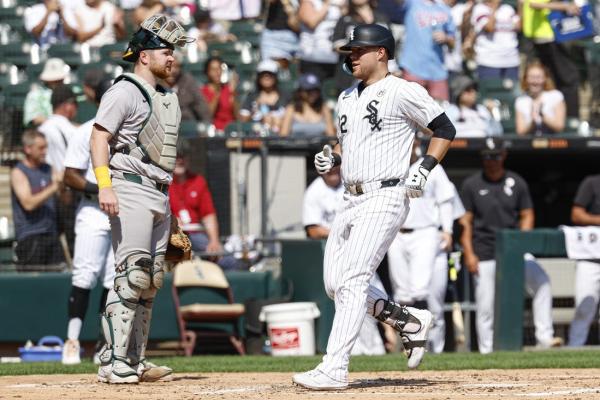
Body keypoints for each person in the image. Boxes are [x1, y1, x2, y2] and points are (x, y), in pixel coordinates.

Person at [292, 24, 456, 391]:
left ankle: (335, 366)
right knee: (335, 284)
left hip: (387, 194)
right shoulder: (347, 96)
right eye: (349, 50)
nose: (351, 55)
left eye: (358, 49)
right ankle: (407, 321)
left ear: (381, 52)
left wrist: (425, 168)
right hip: (349, 197)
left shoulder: (403, 91)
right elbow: (347, 144)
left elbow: (444, 128)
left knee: (352, 280)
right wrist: (330, 158)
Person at [90, 13, 193, 384]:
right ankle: (115, 363)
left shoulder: (168, 96)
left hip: (159, 193)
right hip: (129, 185)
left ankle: (133, 359)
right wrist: (105, 184)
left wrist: (171, 209)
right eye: (166, 51)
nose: (172, 57)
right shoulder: (124, 90)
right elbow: (99, 137)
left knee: (151, 280)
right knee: (131, 276)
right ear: (144, 55)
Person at [459, 137, 562, 354]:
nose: (491, 161)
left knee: (542, 281)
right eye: (486, 156)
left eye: (495, 156)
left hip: (514, 251)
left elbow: (527, 214)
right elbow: (465, 222)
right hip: (485, 251)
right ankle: (487, 351)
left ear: (503, 155)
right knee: (486, 305)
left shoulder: (516, 182)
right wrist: (469, 253)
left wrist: (521, 241)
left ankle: (545, 337)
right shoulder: (472, 184)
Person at [303, 167, 388, 356]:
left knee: (367, 293)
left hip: (361, 246)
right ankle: (358, 350)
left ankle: (378, 344)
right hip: (338, 250)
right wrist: (341, 229)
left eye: (336, 169)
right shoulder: (315, 191)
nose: (333, 173)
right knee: (343, 295)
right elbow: (313, 230)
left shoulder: (351, 184)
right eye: (329, 170)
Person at [61, 72, 114, 365]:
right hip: (93, 210)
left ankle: (103, 344)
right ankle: (72, 341)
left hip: (118, 214)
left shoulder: (128, 131)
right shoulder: (85, 130)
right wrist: (104, 188)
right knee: (84, 276)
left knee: (112, 280)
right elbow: (70, 175)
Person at [386, 136, 455, 314]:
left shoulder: (430, 167)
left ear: (416, 144)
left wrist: (448, 230)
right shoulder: (388, 168)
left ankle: (420, 336)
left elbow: (445, 200)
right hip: (396, 233)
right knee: (401, 292)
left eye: (410, 143)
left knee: (419, 289)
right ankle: (406, 338)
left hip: (424, 232)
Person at [169, 154, 241, 270]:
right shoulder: (161, 182)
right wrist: (171, 220)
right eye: (177, 156)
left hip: (195, 234)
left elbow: (208, 215)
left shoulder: (198, 181)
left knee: (228, 261)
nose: (180, 160)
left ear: (189, 159)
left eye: (183, 156)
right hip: (169, 235)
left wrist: (214, 241)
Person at [10, 129, 64, 270]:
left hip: (52, 236)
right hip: (31, 238)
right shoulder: (19, 172)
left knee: (57, 283)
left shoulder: (48, 168)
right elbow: (28, 204)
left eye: (46, 147)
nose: (45, 151)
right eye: (40, 148)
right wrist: (54, 187)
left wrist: (64, 186)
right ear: (28, 149)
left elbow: (64, 198)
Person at [398, 0, 456, 102]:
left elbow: (453, 44)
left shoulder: (444, 9)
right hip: (413, 67)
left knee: (441, 112)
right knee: (411, 111)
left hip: (437, 71)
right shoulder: (412, 3)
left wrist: (446, 38)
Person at [568, 174, 600, 346]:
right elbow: (576, 215)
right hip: (590, 256)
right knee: (584, 307)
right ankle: (574, 348)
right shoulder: (592, 182)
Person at [470, 0, 520, 81]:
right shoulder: (479, 9)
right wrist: (494, 7)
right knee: (491, 91)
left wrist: (521, 6)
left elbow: (518, 27)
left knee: (511, 92)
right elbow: (490, 27)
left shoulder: (508, 9)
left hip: (511, 61)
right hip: (489, 62)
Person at [515, 60, 566, 136]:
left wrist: (543, 117)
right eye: (532, 77)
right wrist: (532, 122)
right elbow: (520, 131)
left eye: (538, 77)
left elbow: (560, 126)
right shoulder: (521, 101)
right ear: (526, 79)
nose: (535, 81)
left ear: (545, 79)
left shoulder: (556, 96)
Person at [240, 59, 289, 134]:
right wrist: (255, 111)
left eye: (270, 74)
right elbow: (243, 120)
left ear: (275, 76)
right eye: (263, 74)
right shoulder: (252, 97)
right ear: (258, 77)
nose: (266, 77)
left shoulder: (285, 96)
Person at [279, 73, 336, 137]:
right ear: (300, 91)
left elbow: (331, 136)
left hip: (320, 146)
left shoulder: (324, 108)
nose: (313, 93)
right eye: (309, 90)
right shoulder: (291, 109)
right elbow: (283, 136)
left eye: (316, 90)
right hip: (296, 146)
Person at [163, 51, 211, 123]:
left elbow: (201, 106)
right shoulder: (156, 82)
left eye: (176, 66)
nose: (173, 71)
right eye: (169, 66)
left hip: (186, 125)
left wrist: (207, 124)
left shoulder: (188, 81)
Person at [23, 58, 69, 127]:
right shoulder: (34, 95)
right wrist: (58, 124)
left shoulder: (69, 93)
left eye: (58, 80)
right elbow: (35, 119)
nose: (55, 81)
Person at [200, 56, 239, 132]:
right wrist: (217, 94)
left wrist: (233, 93)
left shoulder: (229, 89)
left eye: (219, 68)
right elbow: (208, 115)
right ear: (207, 72)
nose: (217, 72)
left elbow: (237, 116)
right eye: (213, 69)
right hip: (214, 131)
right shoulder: (202, 91)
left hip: (231, 130)